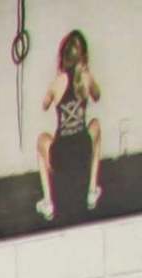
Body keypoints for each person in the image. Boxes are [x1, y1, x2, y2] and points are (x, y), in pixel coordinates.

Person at [40, 29, 101, 223]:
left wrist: (54, 93)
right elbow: (97, 96)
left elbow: (44, 106)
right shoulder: (86, 77)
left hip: (60, 157)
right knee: (96, 125)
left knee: (41, 140)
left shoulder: (57, 82)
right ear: (83, 56)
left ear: (63, 56)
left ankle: (48, 203)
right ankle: (92, 191)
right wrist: (86, 78)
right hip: (83, 152)